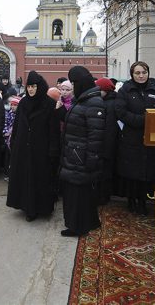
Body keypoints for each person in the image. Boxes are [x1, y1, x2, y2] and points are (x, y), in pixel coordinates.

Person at [59, 66, 106, 237]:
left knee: (77, 195)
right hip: (75, 153)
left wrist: (91, 159)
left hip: (80, 155)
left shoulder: (92, 102)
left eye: (73, 83)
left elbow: (96, 135)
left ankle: (76, 227)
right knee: (79, 193)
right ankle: (89, 221)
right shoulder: (84, 99)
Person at [7, 71, 60, 221]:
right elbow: (17, 125)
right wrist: (14, 142)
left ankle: (38, 208)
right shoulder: (23, 103)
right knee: (25, 178)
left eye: (34, 86)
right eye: (29, 86)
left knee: (38, 179)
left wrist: (53, 150)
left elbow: (53, 130)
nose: (30, 89)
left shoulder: (49, 104)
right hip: (23, 147)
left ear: (40, 87)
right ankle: (26, 206)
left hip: (41, 149)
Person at [115, 61, 155, 215]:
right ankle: (132, 200)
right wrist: (142, 120)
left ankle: (144, 200)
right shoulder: (125, 90)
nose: (141, 76)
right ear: (132, 74)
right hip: (132, 137)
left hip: (151, 137)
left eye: (144, 72)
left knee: (148, 171)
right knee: (132, 171)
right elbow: (120, 111)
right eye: (137, 73)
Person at [95, 77, 119, 206]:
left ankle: (102, 198)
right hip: (108, 145)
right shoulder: (111, 101)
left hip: (106, 146)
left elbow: (109, 128)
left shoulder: (108, 104)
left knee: (104, 174)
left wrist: (104, 149)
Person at [2, 95, 20, 178]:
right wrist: (6, 132)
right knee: (8, 157)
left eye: (15, 105)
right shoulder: (8, 114)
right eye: (12, 105)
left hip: (16, 140)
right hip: (8, 140)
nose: (13, 107)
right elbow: (5, 124)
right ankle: (7, 173)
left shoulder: (20, 116)